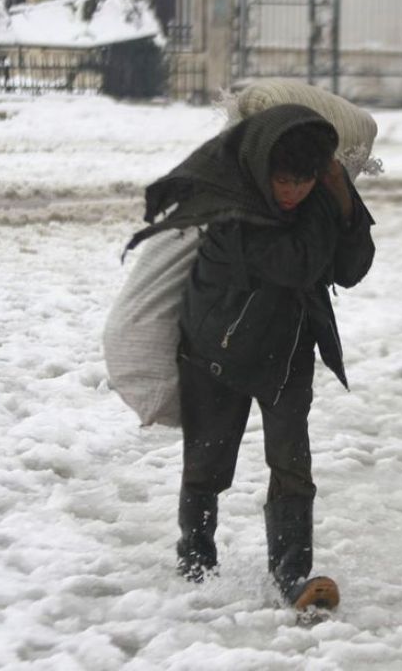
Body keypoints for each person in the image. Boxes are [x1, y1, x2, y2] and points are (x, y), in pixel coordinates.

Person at [128, 104, 375, 612]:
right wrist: (328, 203)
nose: (292, 193)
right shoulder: (231, 208)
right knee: (207, 462)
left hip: (287, 350)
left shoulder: (321, 199)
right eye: (284, 182)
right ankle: (195, 557)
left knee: (292, 466)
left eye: (303, 182)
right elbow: (298, 262)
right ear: (263, 170)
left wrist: (345, 200)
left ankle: (292, 573)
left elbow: (350, 268)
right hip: (216, 353)